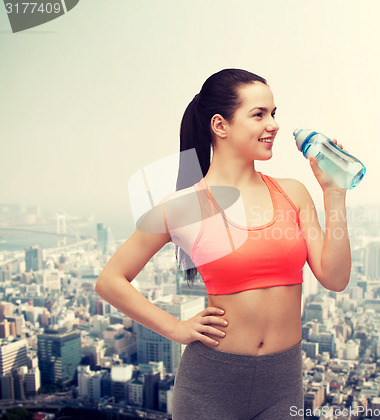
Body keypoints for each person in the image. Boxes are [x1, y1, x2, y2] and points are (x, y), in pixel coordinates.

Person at [95, 68, 352, 419]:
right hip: (209, 388)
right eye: (259, 114)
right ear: (220, 125)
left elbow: (335, 278)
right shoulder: (183, 206)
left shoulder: (293, 192)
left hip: (283, 385)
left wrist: (334, 193)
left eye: (274, 113)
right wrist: (176, 328)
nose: (273, 124)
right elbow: (110, 280)